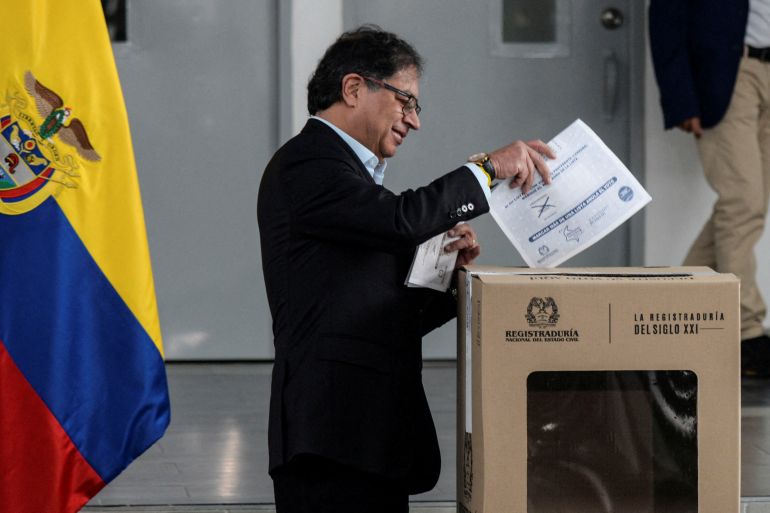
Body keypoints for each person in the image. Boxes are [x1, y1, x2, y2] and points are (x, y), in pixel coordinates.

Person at [258, 25, 554, 512]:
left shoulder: (347, 179)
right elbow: (400, 221)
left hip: (368, 435)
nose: (413, 122)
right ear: (354, 88)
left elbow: (387, 312)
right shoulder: (307, 164)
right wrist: (486, 169)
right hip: (329, 435)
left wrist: (448, 279)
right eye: (406, 101)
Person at [649, 0, 770, 377]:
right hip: (731, 74)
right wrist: (680, 97)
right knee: (743, 200)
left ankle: (674, 304)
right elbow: (667, 16)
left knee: (747, 204)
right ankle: (746, 332)